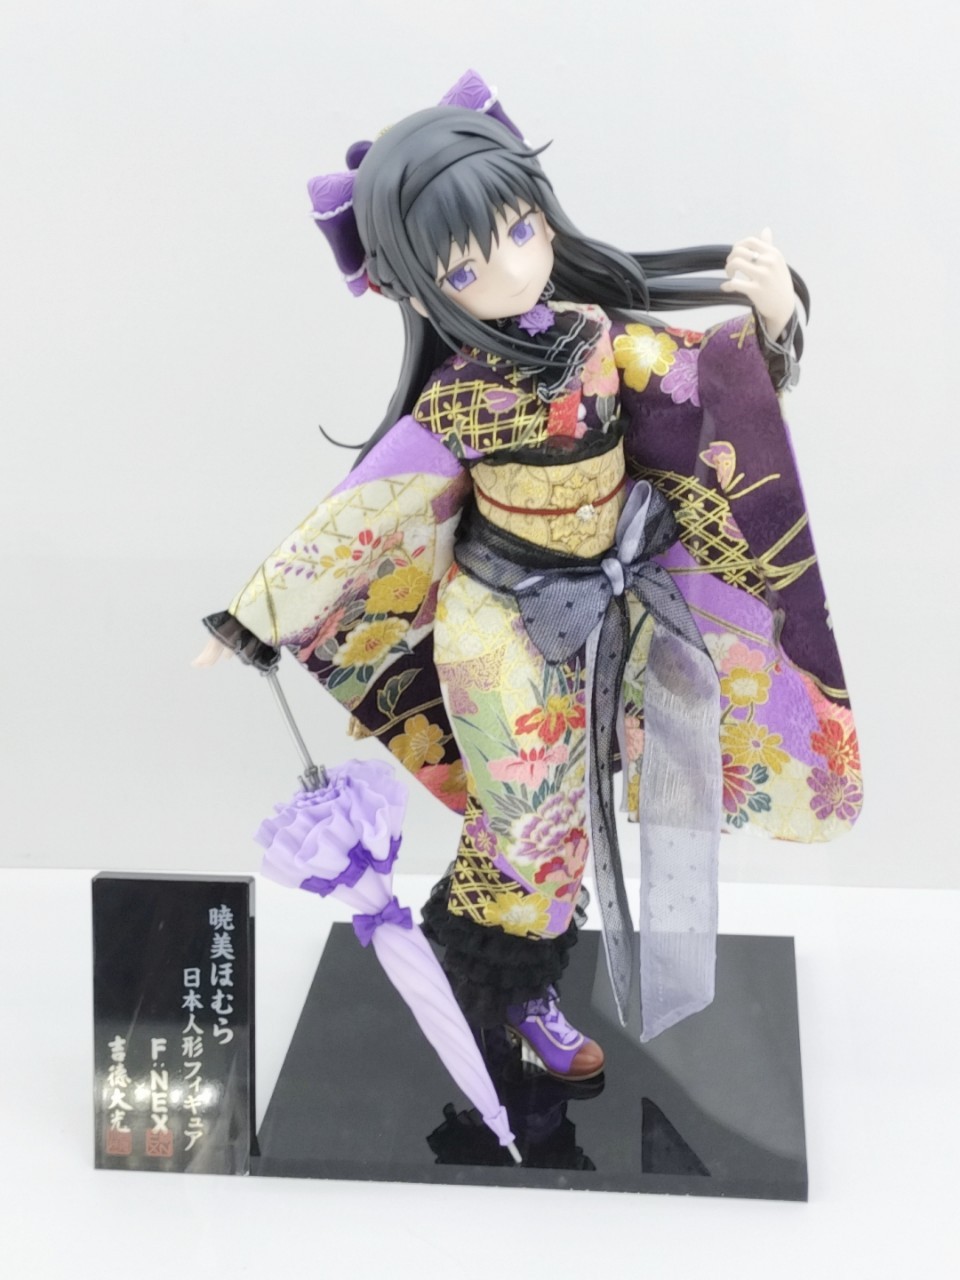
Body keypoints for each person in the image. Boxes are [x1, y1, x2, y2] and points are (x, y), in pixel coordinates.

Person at [196, 72, 860, 1080]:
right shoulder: (457, 401)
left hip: (610, 602)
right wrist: (255, 614)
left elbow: (708, 385)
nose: (510, 269)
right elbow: (363, 510)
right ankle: (509, 992)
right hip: (500, 627)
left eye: (518, 230)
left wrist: (771, 321)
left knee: (581, 801)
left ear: (544, 215)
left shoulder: (597, 335)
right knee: (529, 816)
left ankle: (485, 975)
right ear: (418, 289)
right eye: (466, 266)